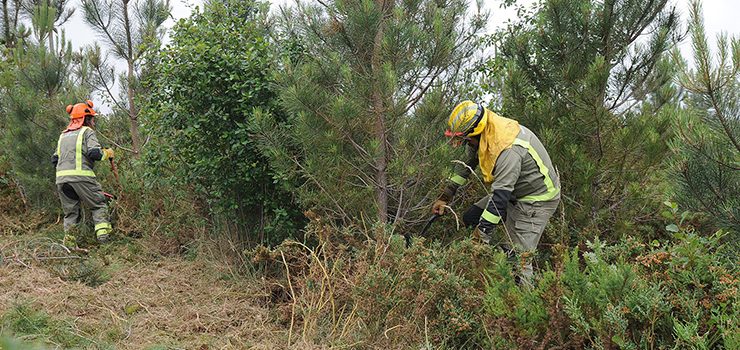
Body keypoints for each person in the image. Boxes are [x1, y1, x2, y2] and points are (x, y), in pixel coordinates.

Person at [432, 100, 560, 286]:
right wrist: (445, 195)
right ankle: (498, 255)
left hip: (536, 200)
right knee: (471, 218)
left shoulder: (508, 150)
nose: (464, 144)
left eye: (465, 140)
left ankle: (526, 304)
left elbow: (499, 200)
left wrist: (481, 236)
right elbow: (468, 165)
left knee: (518, 261)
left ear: (476, 132)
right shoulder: (487, 131)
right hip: (513, 190)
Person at [52, 100, 115, 246]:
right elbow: (95, 154)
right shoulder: (87, 132)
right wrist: (108, 153)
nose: (94, 122)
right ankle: (104, 242)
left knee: (71, 213)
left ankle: (69, 246)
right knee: (98, 205)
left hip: (61, 180)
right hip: (82, 177)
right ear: (86, 119)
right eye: (93, 119)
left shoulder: (63, 135)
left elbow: (55, 159)